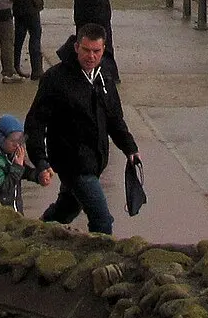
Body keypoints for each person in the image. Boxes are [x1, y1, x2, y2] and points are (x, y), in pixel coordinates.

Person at [24, 25, 139, 235]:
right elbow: (35, 123)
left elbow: (114, 118)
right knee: (102, 220)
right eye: (86, 50)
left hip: (96, 159)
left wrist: (130, 148)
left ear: (104, 49)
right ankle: (100, 259)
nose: (91, 56)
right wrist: (40, 161)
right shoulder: (55, 79)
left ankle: (34, 233)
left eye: (96, 51)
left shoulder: (105, 76)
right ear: (76, 47)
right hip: (71, 162)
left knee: (66, 209)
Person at [0, 113, 50, 214]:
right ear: (0, 139)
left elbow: (22, 171)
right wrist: (17, 166)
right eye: (13, 141)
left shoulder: (9, 154)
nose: (17, 145)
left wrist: (37, 176)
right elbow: (5, 188)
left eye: (20, 140)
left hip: (14, 209)